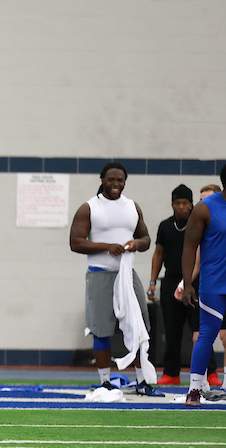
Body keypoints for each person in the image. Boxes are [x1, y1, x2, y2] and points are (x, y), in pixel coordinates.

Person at [68, 161, 159, 395]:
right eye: (111, 179)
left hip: (128, 275)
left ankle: (142, 381)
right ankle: (105, 381)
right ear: (102, 180)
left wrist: (136, 243)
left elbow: (146, 239)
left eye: (120, 180)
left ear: (125, 182)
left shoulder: (132, 206)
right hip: (100, 274)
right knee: (101, 329)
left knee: (139, 327)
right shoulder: (89, 207)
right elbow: (75, 242)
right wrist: (107, 247)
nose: (116, 183)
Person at [181, 165, 226, 407]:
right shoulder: (205, 208)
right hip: (214, 284)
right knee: (207, 334)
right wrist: (187, 283)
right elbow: (189, 247)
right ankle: (194, 390)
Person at [147, 184, 192, 384]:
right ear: (172, 204)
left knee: (200, 330)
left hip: (194, 281)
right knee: (171, 329)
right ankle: (171, 373)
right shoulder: (165, 226)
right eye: (177, 203)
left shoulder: (198, 223)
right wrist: (152, 282)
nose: (181, 207)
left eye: (185, 203)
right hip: (171, 280)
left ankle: (209, 373)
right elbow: (158, 254)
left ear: (191, 204)